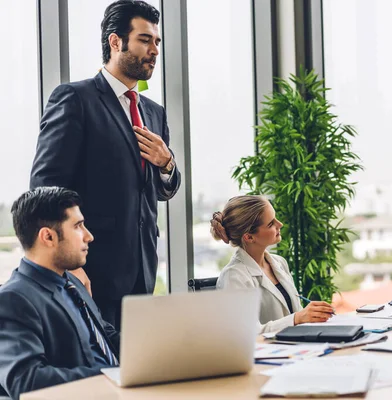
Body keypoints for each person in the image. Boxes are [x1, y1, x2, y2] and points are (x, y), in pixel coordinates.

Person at [30, 0, 180, 329]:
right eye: (144, 40)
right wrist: (69, 264)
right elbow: (46, 189)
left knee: (136, 375)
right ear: (115, 42)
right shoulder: (75, 99)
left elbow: (156, 190)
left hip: (142, 273)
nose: (154, 49)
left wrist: (167, 164)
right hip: (90, 273)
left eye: (156, 41)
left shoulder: (154, 113)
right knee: (97, 376)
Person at [0, 187, 120, 400]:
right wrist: (111, 375)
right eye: (78, 226)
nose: (89, 236)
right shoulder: (13, 299)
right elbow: (26, 380)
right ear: (48, 237)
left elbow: (104, 336)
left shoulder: (72, 282)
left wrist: (154, 352)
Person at [212, 195, 335, 333]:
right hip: (265, 353)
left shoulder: (279, 263)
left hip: (295, 347)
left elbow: (297, 314)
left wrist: (312, 316)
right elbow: (247, 333)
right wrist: (297, 318)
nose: (280, 224)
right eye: (271, 223)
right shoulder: (234, 276)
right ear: (249, 237)